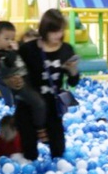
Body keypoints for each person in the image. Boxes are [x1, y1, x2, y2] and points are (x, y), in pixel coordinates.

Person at [8, 9, 80, 161]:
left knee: (58, 150)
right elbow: (14, 72)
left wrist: (72, 70)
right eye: (54, 31)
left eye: (60, 30)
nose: (58, 35)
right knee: (29, 153)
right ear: (45, 30)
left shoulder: (66, 50)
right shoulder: (29, 49)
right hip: (28, 105)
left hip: (52, 107)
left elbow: (73, 81)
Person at [0, 21, 49, 143]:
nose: (10, 42)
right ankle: (38, 129)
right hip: (18, 83)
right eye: (6, 39)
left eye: (12, 39)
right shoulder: (1, 54)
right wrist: (14, 51)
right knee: (36, 103)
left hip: (26, 82)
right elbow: (6, 66)